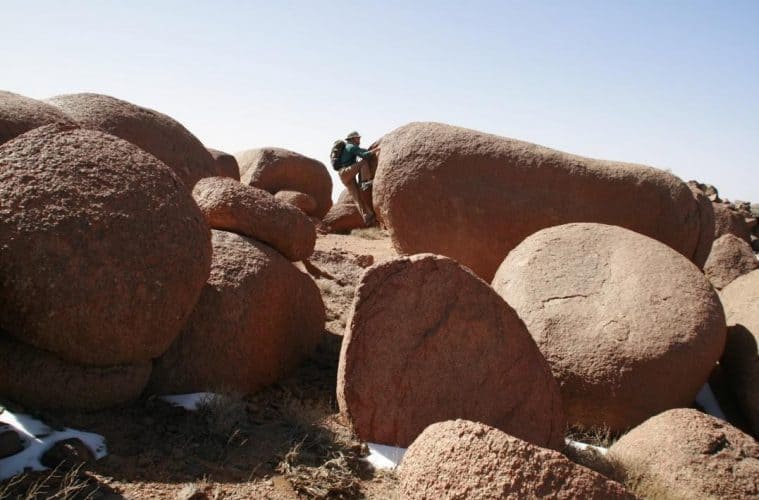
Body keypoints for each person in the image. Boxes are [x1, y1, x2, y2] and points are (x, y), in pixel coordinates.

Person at [336, 131, 380, 225]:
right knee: (363, 162)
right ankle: (365, 181)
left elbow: (362, 151)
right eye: (357, 138)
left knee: (358, 198)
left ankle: (368, 217)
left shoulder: (349, 147)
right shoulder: (351, 146)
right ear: (352, 139)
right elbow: (365, 155)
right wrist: (376, 150)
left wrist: (370, 150)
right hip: (346, 172)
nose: (359, 139)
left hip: (344, 175)